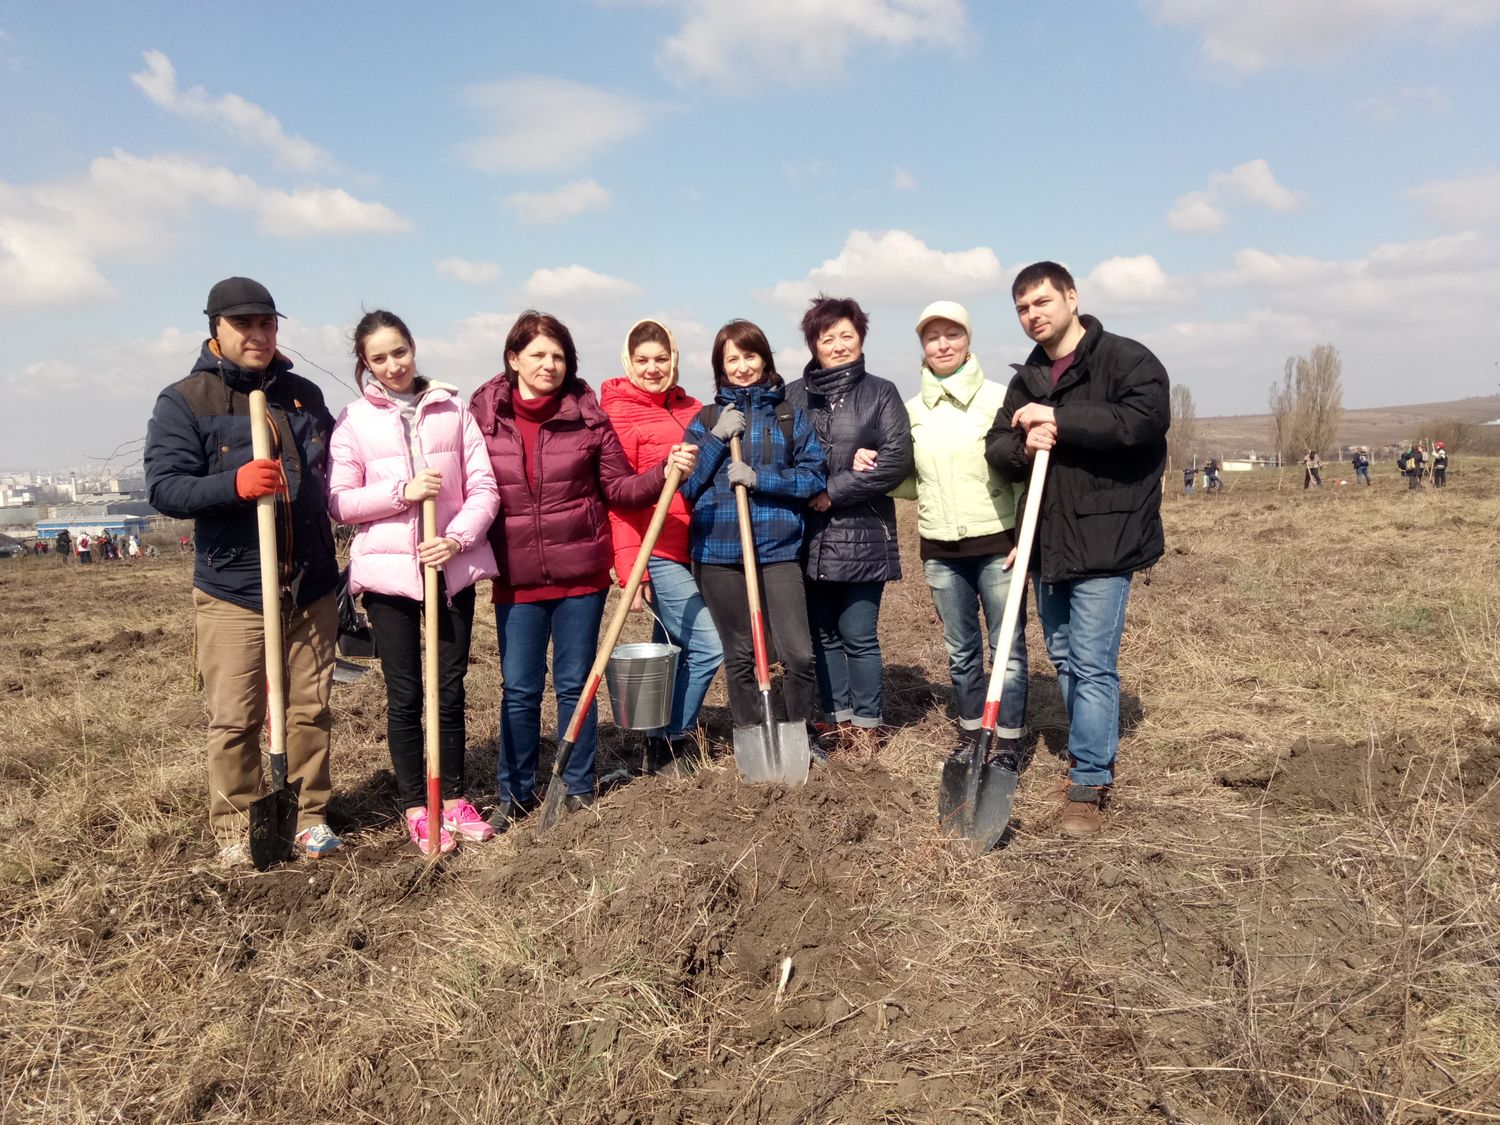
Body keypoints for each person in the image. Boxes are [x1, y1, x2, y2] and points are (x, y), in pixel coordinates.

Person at [145, 276, 344, 867]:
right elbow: (164, 485)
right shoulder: (186, 400)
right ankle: (235, 822)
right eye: (244, 324)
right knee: (235, 716)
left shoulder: (302, 395)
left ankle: (309, 815)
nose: (258, 334)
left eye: (267, 323)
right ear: (216, 330)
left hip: (308, 582)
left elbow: (337, 467)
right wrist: (233, 484)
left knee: (310, 708)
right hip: (234, 589)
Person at [470, 311, 697, 829]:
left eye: (558, 356)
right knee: (520, 688)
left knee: (576, 683)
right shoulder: (484, 419)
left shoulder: (589, 418)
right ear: (513, 359)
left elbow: (617, 488)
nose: (549, 365)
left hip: (580, 577)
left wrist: (663, 473)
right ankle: (515, 791)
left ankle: (577, 785)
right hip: (517, 577)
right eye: (538, 355)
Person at [984, 261, 1169, 838]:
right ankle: (1087, 754)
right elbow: (995, 445)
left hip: (1105, 539)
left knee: (1091, 664)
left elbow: (1142, 422)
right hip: (1048, 541)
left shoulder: (1126, 359)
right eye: (1022, 308)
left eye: (1041, 302)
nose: (1032, 315)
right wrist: (1023, 442)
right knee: (1063, 658)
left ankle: (1088, 782)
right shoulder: (1028, 376)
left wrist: (1059, 419)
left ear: (1071, 297)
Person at [328, 310, 501, 855]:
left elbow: (484, 488)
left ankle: (452, 797)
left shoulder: (452, 409)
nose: (393, 365)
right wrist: (403, 491)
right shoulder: (354, 420)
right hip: (388, 575)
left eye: (399, 352)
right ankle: (415, 806)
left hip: (449, 567)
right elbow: (339, 502)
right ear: (365, 364)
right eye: (379, 358)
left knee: (448, 689)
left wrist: (456, 539)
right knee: (405, 693)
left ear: (413, 347)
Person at [680, 320, 828, 758]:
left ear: (764, 358)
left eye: (750, 356)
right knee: (741, 654)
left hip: (777, 551)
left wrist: (760, 478)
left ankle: (801, 738)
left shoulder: (788, 416)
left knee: (798, 654)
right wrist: (715, 439)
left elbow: (813, 476)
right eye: (732, 359)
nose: (743, 366)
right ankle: (752, 737)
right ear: (719, 366)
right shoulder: (705, 419)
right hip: (718, 554)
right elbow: (687, 488)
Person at [891, 300, 1030, 753]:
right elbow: (910, 479)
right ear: (922, 347)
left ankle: (1006, 741)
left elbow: (1021, 471)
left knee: (1006, 650)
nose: (943, 344)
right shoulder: (911, 411)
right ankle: (972, 735)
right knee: (961, 651)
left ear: (968, 339)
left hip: (998, 544)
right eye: (933, 337)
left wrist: (1026, 535)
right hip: (940, 550)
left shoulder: (999, 398)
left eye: (952, 334)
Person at [785, 296, 913, 745]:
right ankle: (835, 718)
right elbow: (783, 456)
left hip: (862, 533)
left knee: (858, 632)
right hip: (808, 534)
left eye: (847, 336)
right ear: (813, 344)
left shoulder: (881, 392)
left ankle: (867, 724)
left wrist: (832, 491)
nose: (838, 346)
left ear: (861, 339)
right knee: (821, 632)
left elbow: (896, 460)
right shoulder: (793, 396)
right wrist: (844, 465)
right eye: (827, 338)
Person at [600, 319, 724, 775]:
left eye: (661, 358)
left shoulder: (692, 407)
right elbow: (617, 498)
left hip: (699, 547)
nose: (653, 368)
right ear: (628, 362)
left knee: (672, 645)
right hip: (656, 549)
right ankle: (675, 736)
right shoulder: (616, 414)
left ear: (674, 358)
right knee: (709, 644)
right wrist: (634, 573)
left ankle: (655, 742)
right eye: (643, 360)